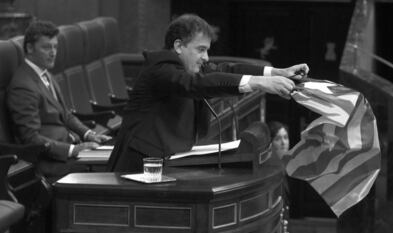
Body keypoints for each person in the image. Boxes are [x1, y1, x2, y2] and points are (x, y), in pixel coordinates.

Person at [107, 14, 309, 172]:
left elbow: (227, 70)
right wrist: (258, 83)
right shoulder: (161, 69)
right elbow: (194, 85)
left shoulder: (190, 67)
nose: (206, 57)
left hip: (166, 166)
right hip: (135, 170)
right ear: (178, 46)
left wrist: (276, 72)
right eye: (201, 49)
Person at [6, 20, 111, 180]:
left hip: (67, 151)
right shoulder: (23, 86)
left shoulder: (45, 74)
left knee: (116, 157)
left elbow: (66, 115)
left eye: (55, 47)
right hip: (50, 162)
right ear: (29, 48)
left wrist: (88, 134)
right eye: (47, 47)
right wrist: (72, 150)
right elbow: (31, 139)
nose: (53, 52)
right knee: (109, 170)